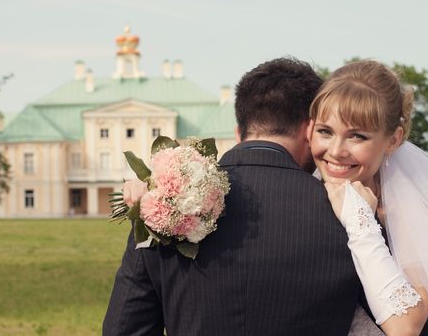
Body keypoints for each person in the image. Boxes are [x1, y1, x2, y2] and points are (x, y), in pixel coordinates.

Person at [103, 57, 364, 335]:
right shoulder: (352, 213)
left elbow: (124, 329)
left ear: (239, 131)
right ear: (310, 130)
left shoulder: (165, 204)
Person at [308, 59, 428, 336]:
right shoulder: (303, 199)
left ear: (393, 140)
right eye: (325, 131)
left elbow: (406, 326)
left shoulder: (411, 213)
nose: (336, 150)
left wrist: (360, 219)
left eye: (357, 136)